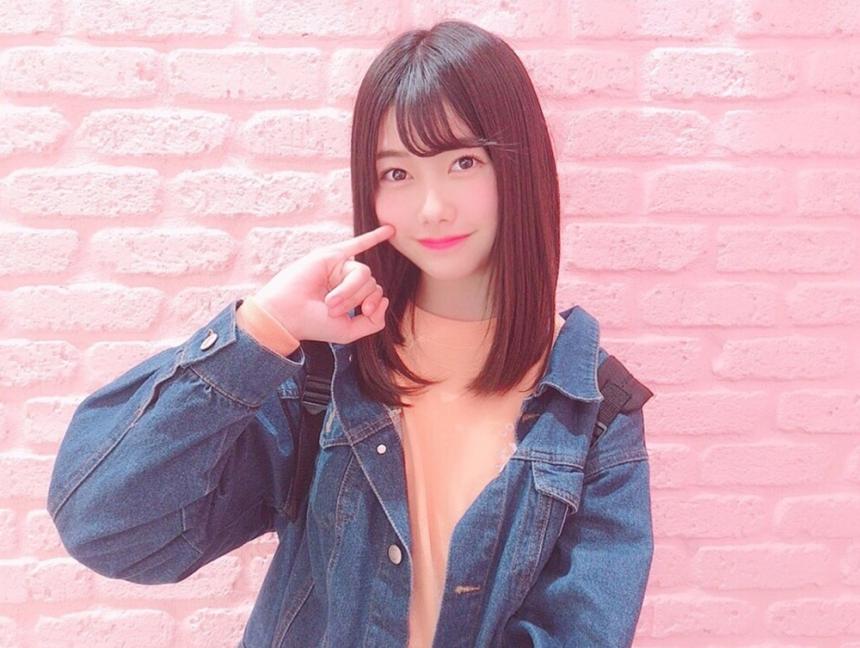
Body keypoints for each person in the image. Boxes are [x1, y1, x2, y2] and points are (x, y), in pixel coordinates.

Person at [47, 19, 654, 648]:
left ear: (518, 167)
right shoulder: (327, 372)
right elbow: (106, 528)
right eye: (398, 174)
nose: (433, 208)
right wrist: (261, 327)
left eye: (464, 162)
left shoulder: (595, 409)